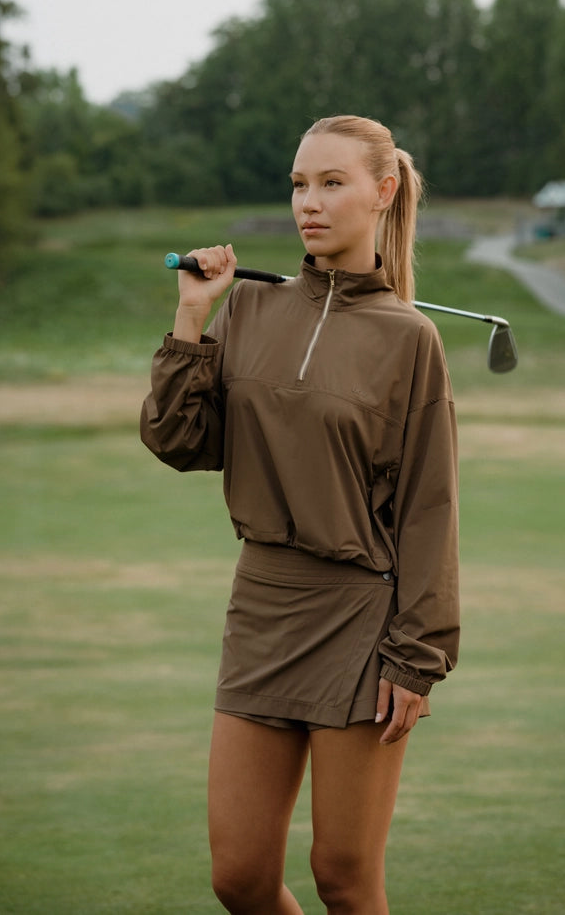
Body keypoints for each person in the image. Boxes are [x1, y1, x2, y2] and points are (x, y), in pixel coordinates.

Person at [140, 115, 459, 914]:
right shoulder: (249, 310)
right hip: (263, 608)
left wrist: (417, 657)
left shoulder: (410, 338)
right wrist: (193, 318)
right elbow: (180, 441)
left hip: (361, 620)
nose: (307, 204)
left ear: (382, 192)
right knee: (239, 878)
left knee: (345, 882)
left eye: (331, 183)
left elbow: (428, 509)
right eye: (297, 184)